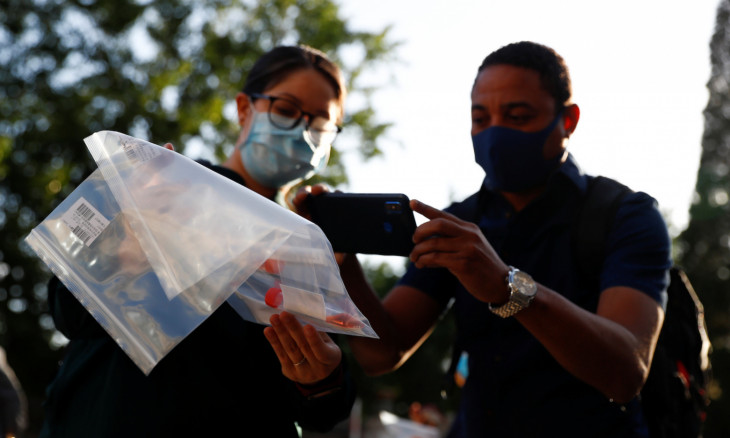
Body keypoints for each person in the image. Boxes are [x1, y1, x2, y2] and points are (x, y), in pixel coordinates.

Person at [299, 41, 672, 437]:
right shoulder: (460, 222)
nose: (495, 132)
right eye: (481, 118)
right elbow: (382, 352)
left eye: (518, 115)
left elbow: (626, 373)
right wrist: (341, 262)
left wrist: (507, 287)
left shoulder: (625, 217)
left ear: (568, 120)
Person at [40, 45, 355, 437]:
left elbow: (324, 412)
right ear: (244, 109)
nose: (301, 131)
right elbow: (63, 306)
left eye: (320, 125)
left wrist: (320, 380)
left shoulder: (307, 253)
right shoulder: (156, 185)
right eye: (287, 109)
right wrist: (125, 248)